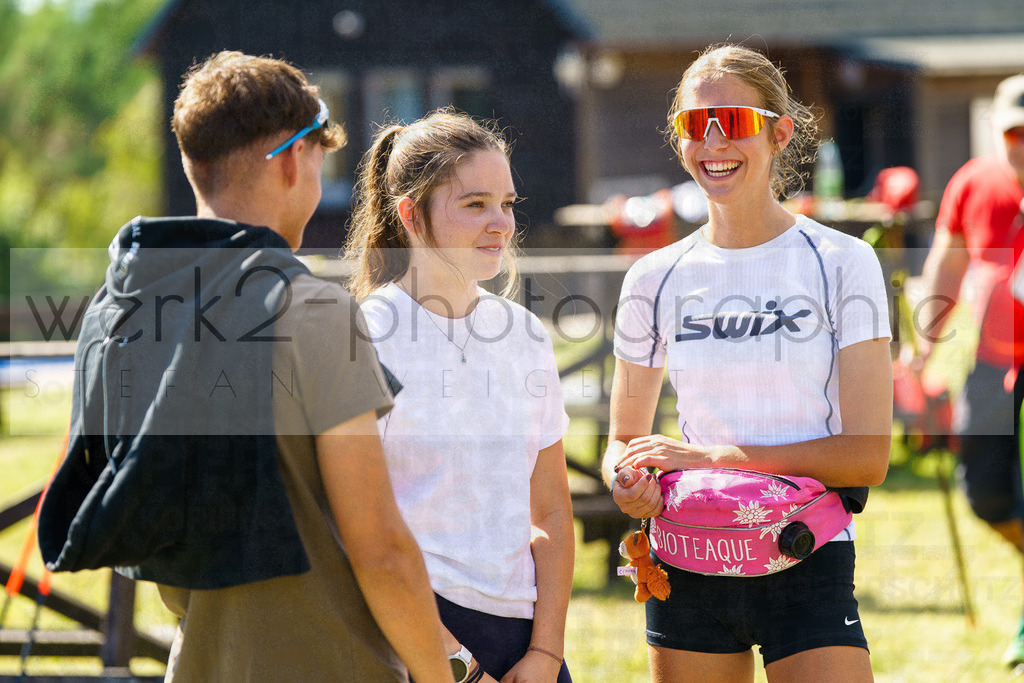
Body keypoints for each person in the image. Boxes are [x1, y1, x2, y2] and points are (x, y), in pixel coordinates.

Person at [37, 51, 450, 682]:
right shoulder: (310, 310)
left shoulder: (116, 311)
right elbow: (381, 550)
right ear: (291, 160)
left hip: (199, 662)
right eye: (320, 159)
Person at [600, 44, 893, 682]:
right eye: (691, 125)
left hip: (806, 553)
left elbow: (867, 455)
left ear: (778, 131)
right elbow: (623, 441)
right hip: (688, 555)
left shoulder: (843, 263)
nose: (711, 143)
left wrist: (717, 458)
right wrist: (629, 482)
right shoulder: (653, 276)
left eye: (730, 121)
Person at [344, 109, 575, 683]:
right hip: (410, 637)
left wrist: (545, 654)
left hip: (523, 638)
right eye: (475, 205)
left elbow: (549, 512)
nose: (500, 222)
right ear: (411, 217)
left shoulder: (525, 336)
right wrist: (454, 660)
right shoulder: (361, 334)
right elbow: (350, 524)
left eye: (507, 203)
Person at [914, 73, 1024, 666]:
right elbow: (946, 268)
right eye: (1016, 133)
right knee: (984, 497)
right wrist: (923, 348)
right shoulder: (974, 183)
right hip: (988, 366)